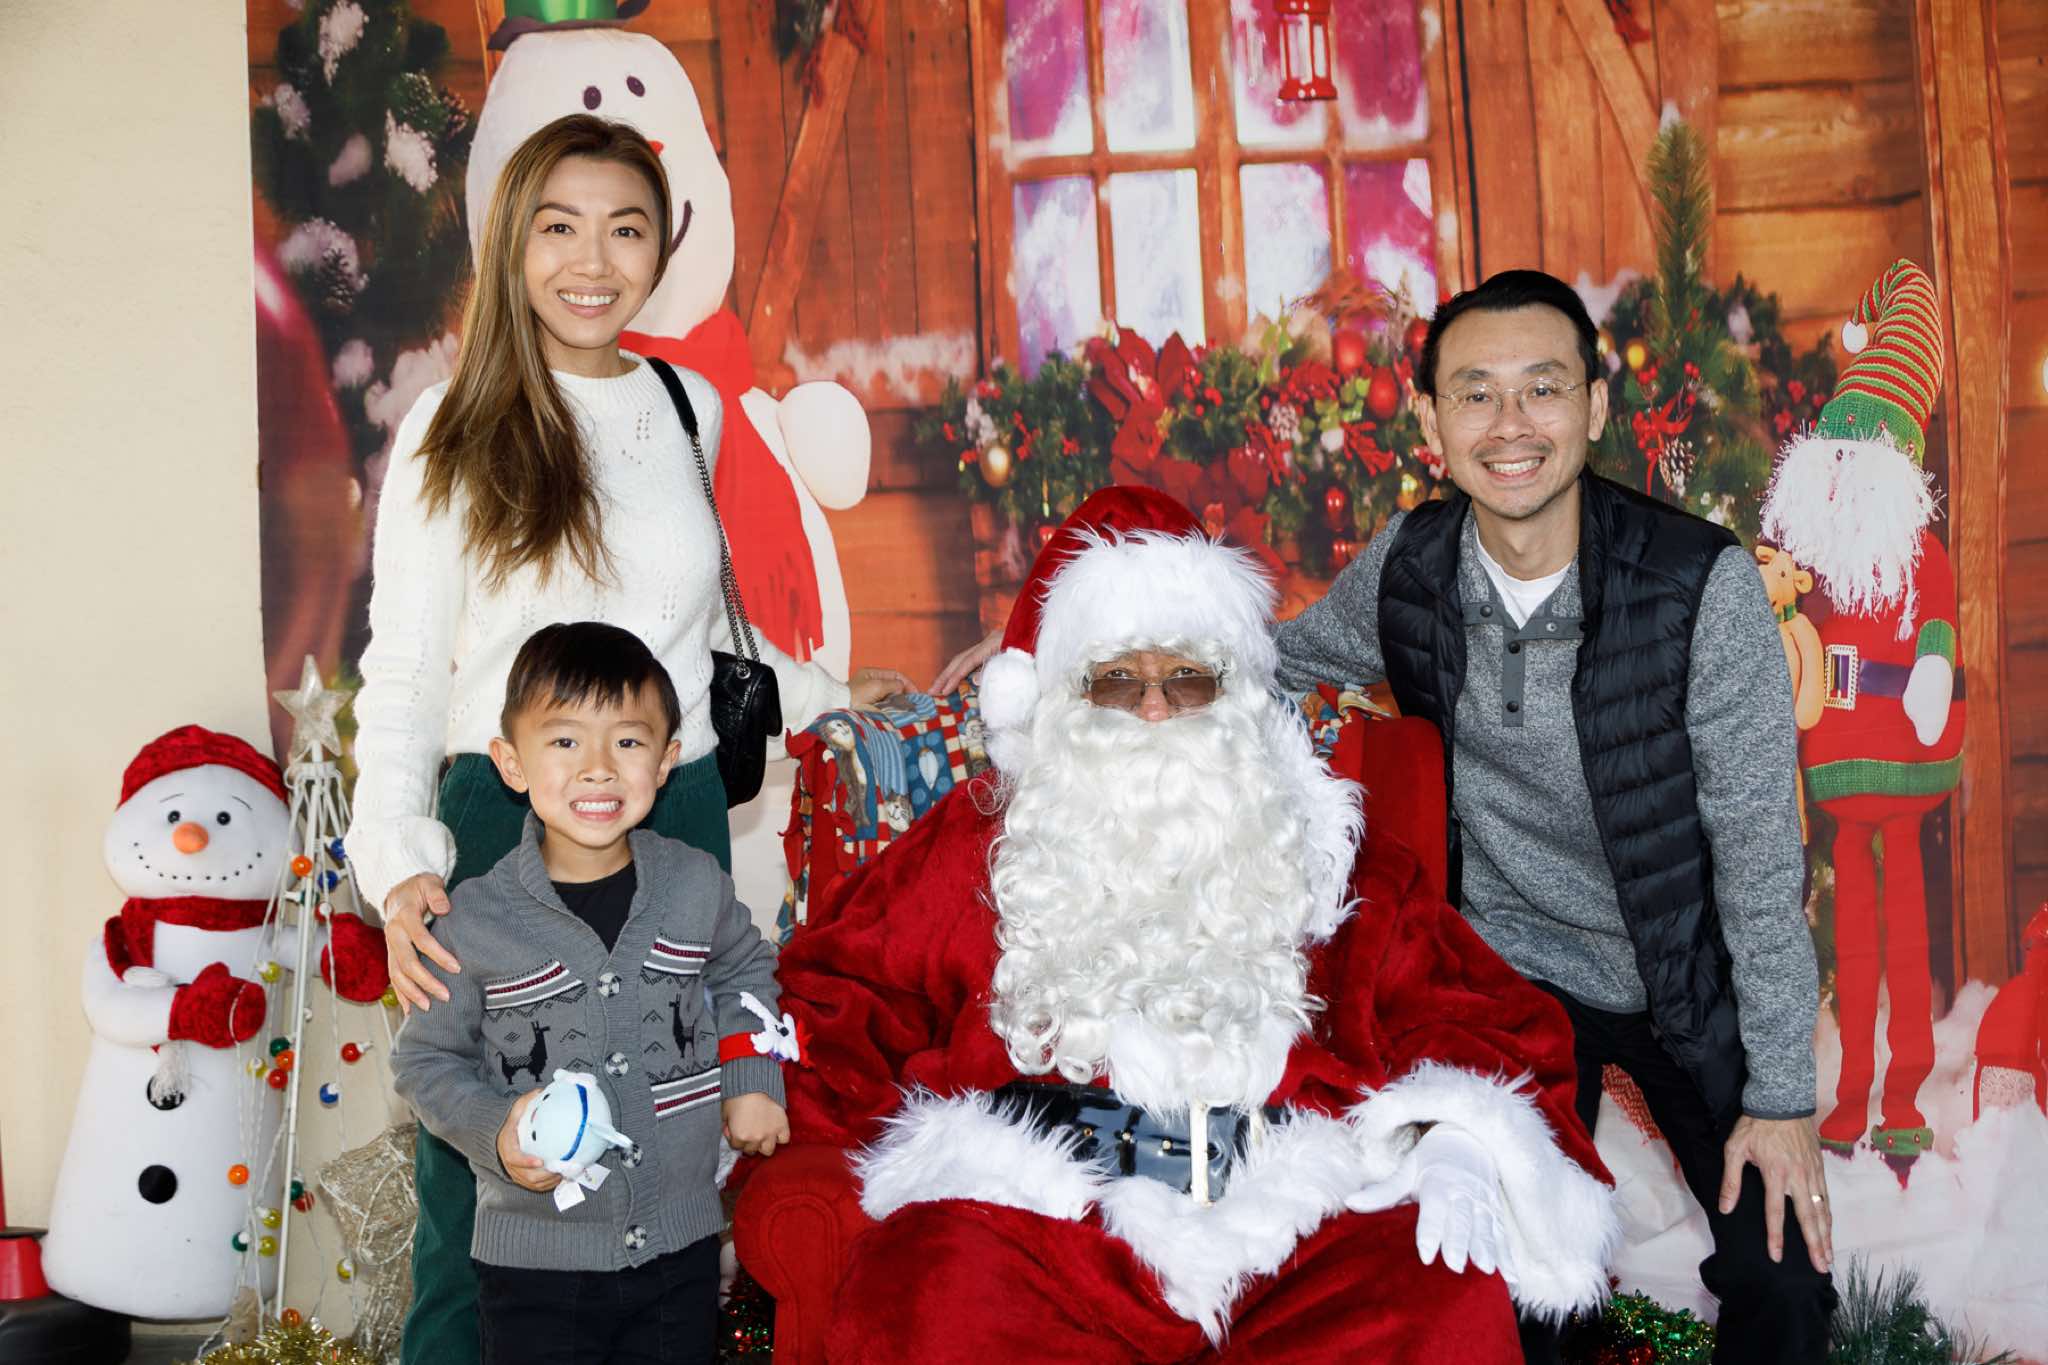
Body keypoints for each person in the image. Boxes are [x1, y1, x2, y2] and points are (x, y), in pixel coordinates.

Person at [774, 488, 1619, 1363]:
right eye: (1117, 679)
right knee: (928, 1289)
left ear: (1234, 691)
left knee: (1437, 1299)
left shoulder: (1320, 844)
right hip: (1039, 1221)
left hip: (1289, 1222)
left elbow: (1474, 1007)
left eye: (1187, 678)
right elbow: (834, 992)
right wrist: (897, 1151)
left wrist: (1460, 1141)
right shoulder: (990, 836)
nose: (1154, 708)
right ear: (1064, 697)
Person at [346, 113, 908, 1365]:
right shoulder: (453, 421)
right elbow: (404, 672)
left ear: (662, 247)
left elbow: (686, 636)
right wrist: (396, 864)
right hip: (507, 824)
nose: (591, 261)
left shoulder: (685, 402)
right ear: (512, 241)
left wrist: (831, 691)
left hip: (677, 807)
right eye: (559, 227)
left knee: (659, 1164)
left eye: (624, 229)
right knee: (490, 1185)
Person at [1272, 270, 1837, 1362]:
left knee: (1782, 1281)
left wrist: (1779, 1100)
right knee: (1513, 1282)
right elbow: (1270, 659)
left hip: (1681, 969)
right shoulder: (1410, 568)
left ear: (1593, 406)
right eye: (1475, 394)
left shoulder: (1698, 588)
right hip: (1509, 973)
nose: (1510, 425)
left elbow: (1760, 866)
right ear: (1431, 422)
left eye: (1542, 388)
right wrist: (1099, 647)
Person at [392, 622, 790, 1365]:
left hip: (680, 1252)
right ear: (512, 763)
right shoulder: (471, 920)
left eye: (628, 742)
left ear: (667, 761)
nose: (599, 768)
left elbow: (746, 970)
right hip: (533, 1271)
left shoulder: (695, 885)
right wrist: (497, 1133)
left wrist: (751, 1075)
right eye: (566, 741)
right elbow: (424, 1063)